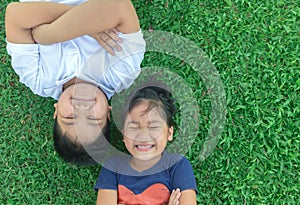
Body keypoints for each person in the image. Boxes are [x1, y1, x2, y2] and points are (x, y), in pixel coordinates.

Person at [5, 0, 146, 165]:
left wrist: (91, 21)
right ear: (108, 113)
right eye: (93, 119)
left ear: (56, 112)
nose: (82, 109)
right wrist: (47, 34)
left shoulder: (37, 78)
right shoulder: (122, 73)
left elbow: (15, 14)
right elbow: (119, 6)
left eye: (70, 117)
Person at [94, 86, 197, 205]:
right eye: (133, 127)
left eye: (154, 127)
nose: (143, 136)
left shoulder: (178, 165)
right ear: (123, 134)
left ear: (169, 133)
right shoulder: (113, 167)